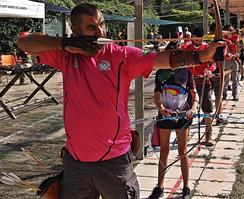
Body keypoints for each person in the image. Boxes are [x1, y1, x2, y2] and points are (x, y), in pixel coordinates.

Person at [17, 3, 224, 199]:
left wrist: (202, 57)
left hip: (114, 163)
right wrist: (66, 44)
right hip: (76, 163)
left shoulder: (119, 55)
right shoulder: (65, 55)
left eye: (102, 24)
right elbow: (23, 42)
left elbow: (158, 59)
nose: (100, 32)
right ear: (75, 30)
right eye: (91, 27)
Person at [149, 42, 198, 199]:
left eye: (176, 54)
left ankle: (186, 187)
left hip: (183, 116)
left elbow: (194, 94)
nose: (172, 58)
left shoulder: (186, 72)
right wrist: (161, 108)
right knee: (164, 151)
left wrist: (193, 109)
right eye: (170, 54)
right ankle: (160, 186)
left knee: (183, 152)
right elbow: (157, 95)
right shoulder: (160, 73)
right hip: (165, 116)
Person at [182, 28, 216, 146]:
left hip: (204, 82)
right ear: (193, 37)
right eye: (196, 38)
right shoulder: (186, 48)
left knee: (207, 109)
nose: (198, 41)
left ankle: (208, 136)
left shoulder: (207, 48)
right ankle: (185, 136)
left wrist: (209, 70)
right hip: (189, 83)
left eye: (200, 39)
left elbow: (213, 64)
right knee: (187, 109)